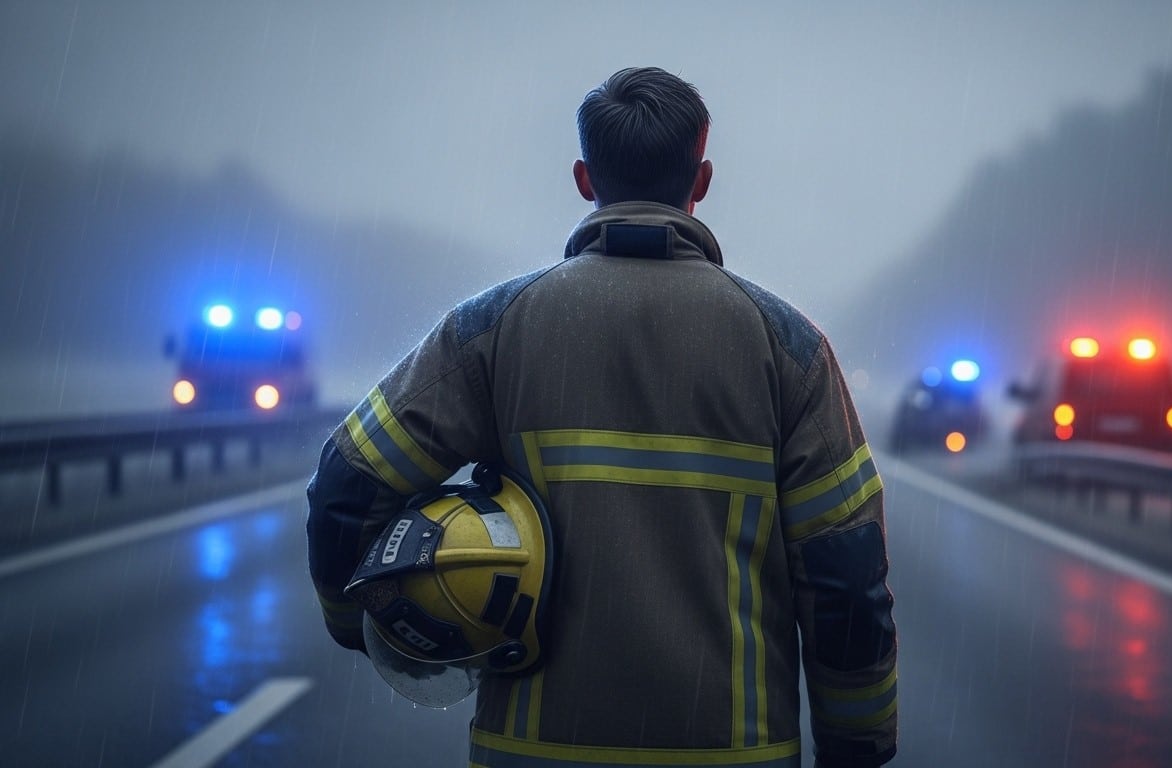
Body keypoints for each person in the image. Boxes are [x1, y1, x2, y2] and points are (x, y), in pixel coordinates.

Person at [307, 66, 898, 768]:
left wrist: (360, 622)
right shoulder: (789, 347)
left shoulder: (493, 330)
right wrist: (856, 744)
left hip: (530, 753)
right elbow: (845, 574)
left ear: (585, 180)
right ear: (702, 180)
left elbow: (347, 486)